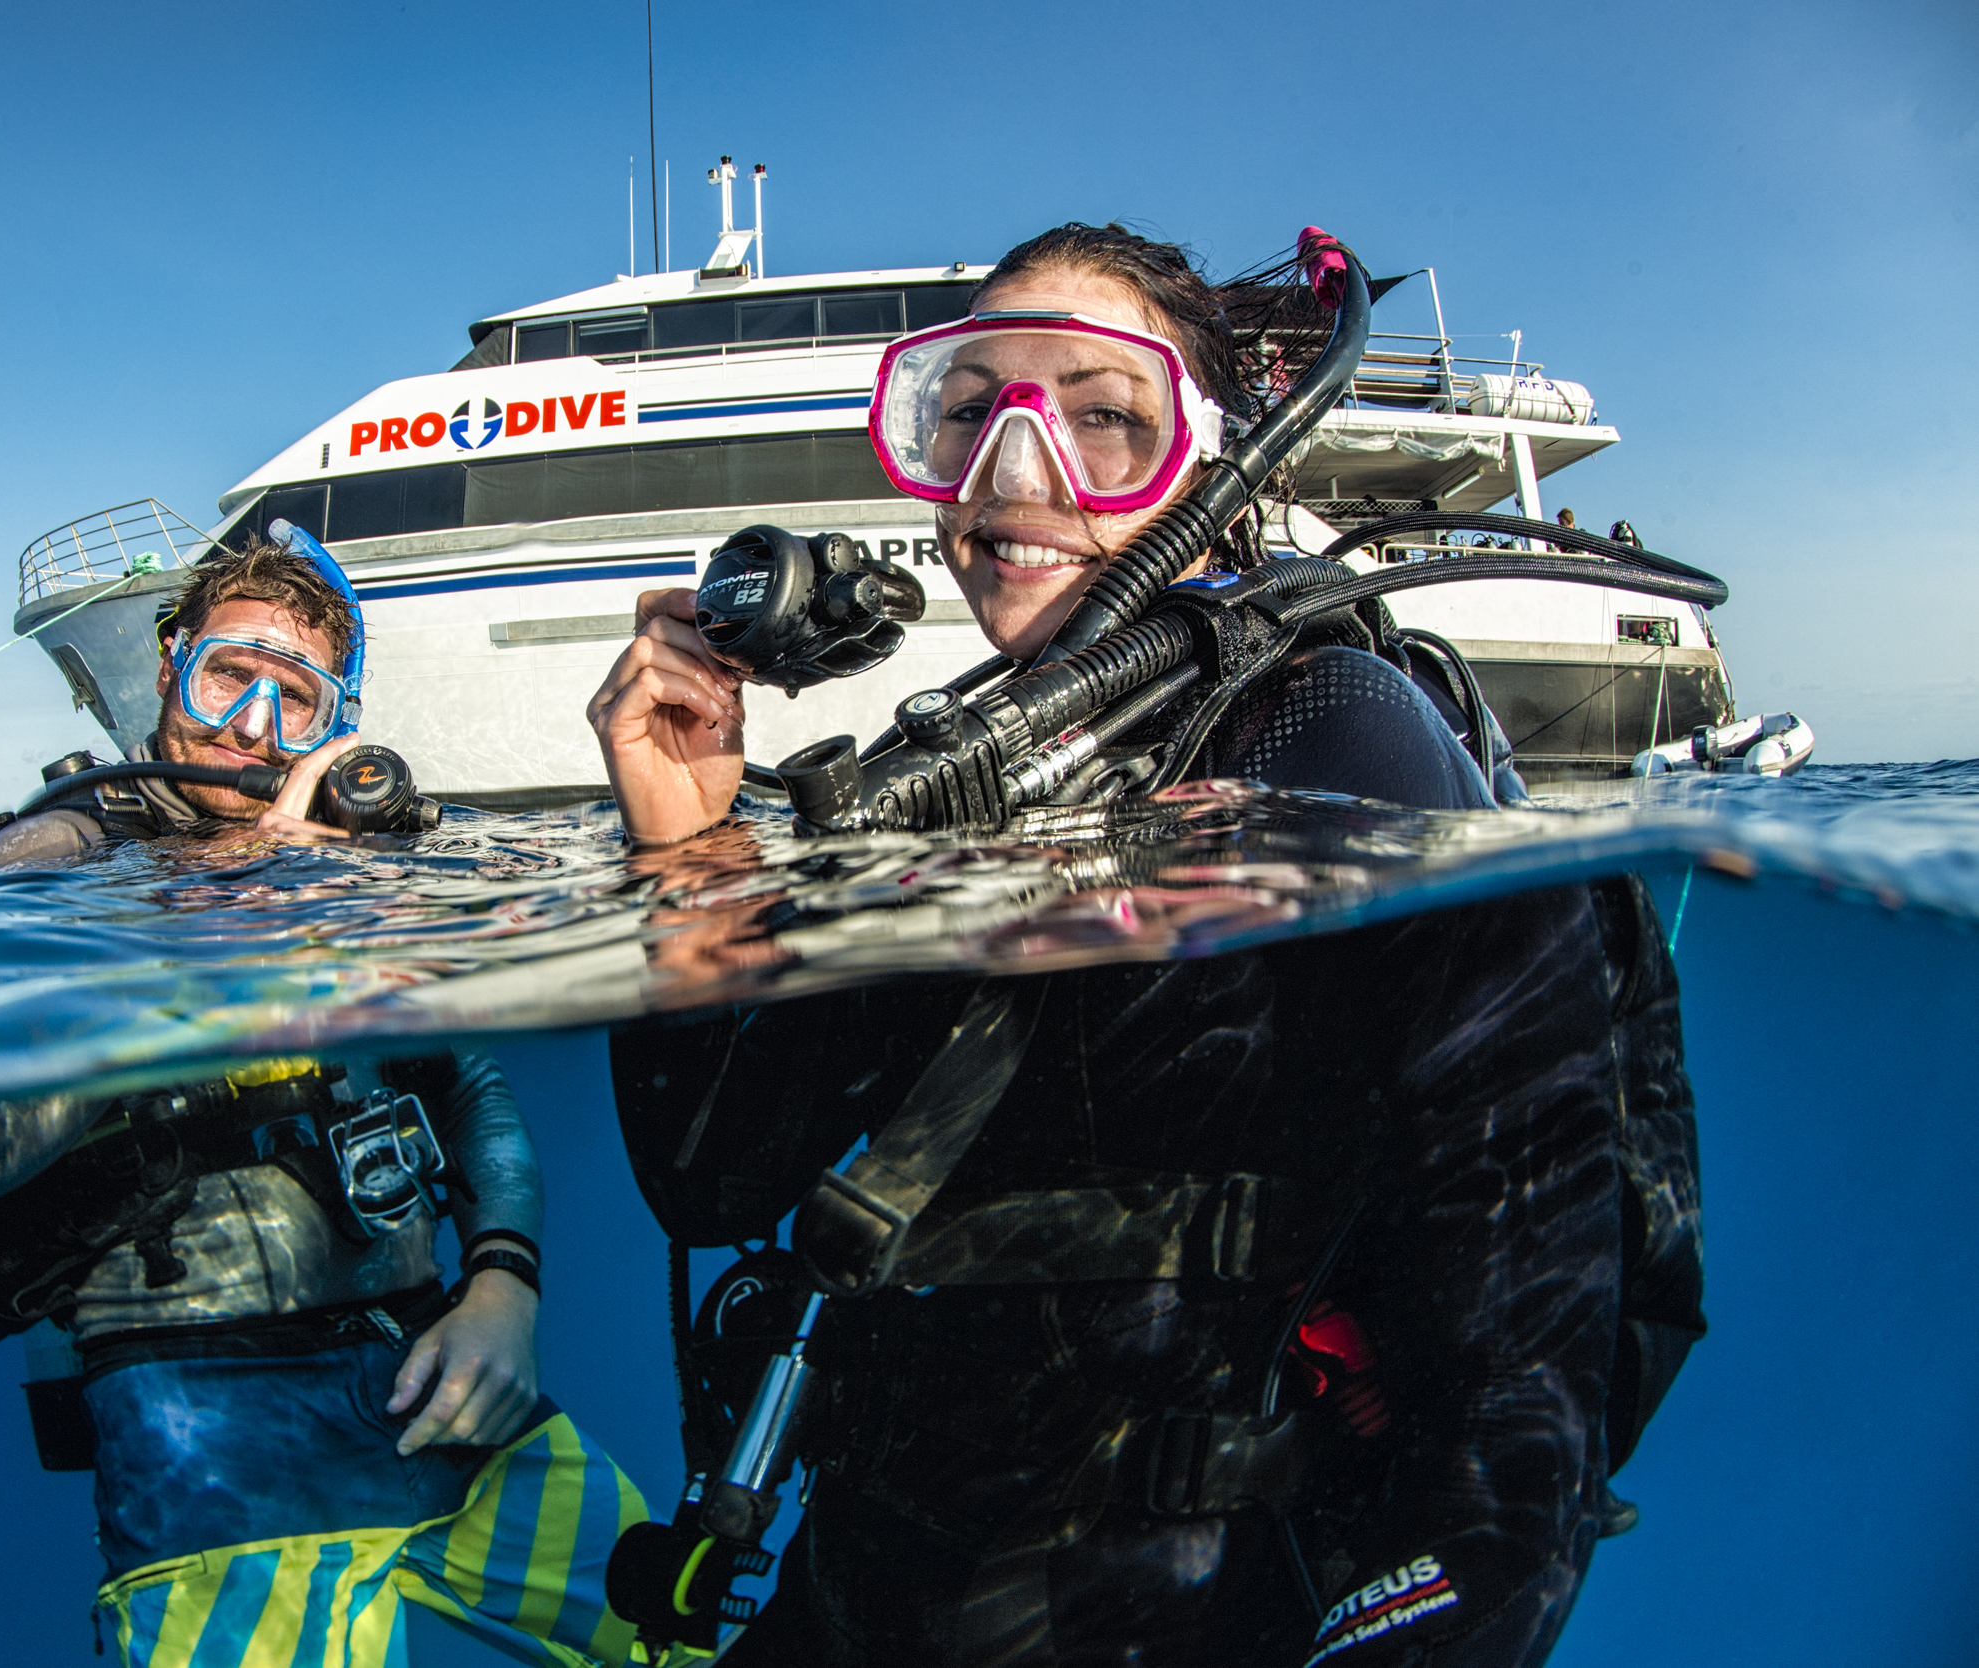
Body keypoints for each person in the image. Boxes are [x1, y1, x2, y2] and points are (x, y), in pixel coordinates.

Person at [587, 224, 1700, 1666]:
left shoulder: (1333, 727)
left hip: (1174, 1613)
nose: (1019, 467)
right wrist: (687, 854)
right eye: (971, 408)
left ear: (1212, 467)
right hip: (871, 1587)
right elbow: (710, 1178)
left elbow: (1515, 1389)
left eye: (1103, 415)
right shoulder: (965, 788)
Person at [0, 533, 662, 1668]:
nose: (252, 731)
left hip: (442, 1377)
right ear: (171, 660)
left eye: (298, 700)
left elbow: (468, 1085)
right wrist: (215, 944)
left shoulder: (345, 870)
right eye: (230, 676)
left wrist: (503, 1292)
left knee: (676, 1630)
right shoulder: (59, 854)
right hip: (210, 1442)